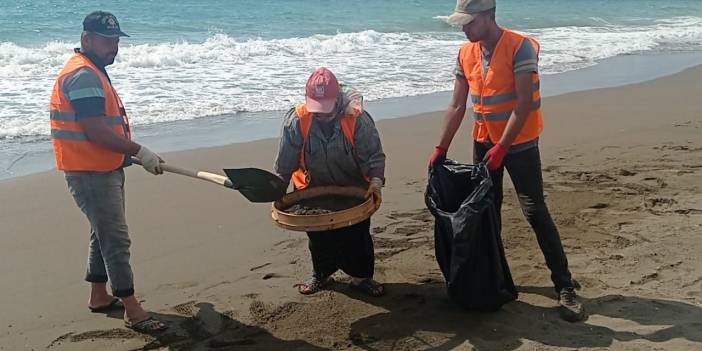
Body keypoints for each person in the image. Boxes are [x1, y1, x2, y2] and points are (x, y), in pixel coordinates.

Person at [428, 0, 585, 322]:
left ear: (489, 16)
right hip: (484, 141)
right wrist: (440, 148)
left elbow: (524, 103)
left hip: (521, 144)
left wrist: (503, 146)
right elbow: (457, 106)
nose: (465, 28)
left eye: (470, 22)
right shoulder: (465, 53)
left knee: (535, 211)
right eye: (462, 23)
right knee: (487, 212)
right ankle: (496, 279)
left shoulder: (520, 48)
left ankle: (565, 285)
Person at [49, 11, 168, 332]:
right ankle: (132, 308)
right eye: (106, 41)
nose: (113, 47)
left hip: (103, 166)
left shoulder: (93, 69)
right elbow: (96, 132)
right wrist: (139, 151)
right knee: (115, 239)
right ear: (86, 39)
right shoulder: (84, 74)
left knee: (100, 232)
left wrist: (127, 158)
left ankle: (99, 295)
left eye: (116, 41)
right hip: (90, 172)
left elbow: (101, 132)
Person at [274, 67, 386, 297]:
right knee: (318, 236)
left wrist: (375, 181)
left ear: (338, 100)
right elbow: (286, 161)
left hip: (353, 186)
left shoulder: (357, 118)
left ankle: (361, 277)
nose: (322, 115)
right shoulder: (297, 119)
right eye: (317, 110)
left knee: (357, 235)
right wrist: (277, 187)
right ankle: (321, 274)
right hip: (312, 187)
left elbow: (373, 155)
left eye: (327, 110)